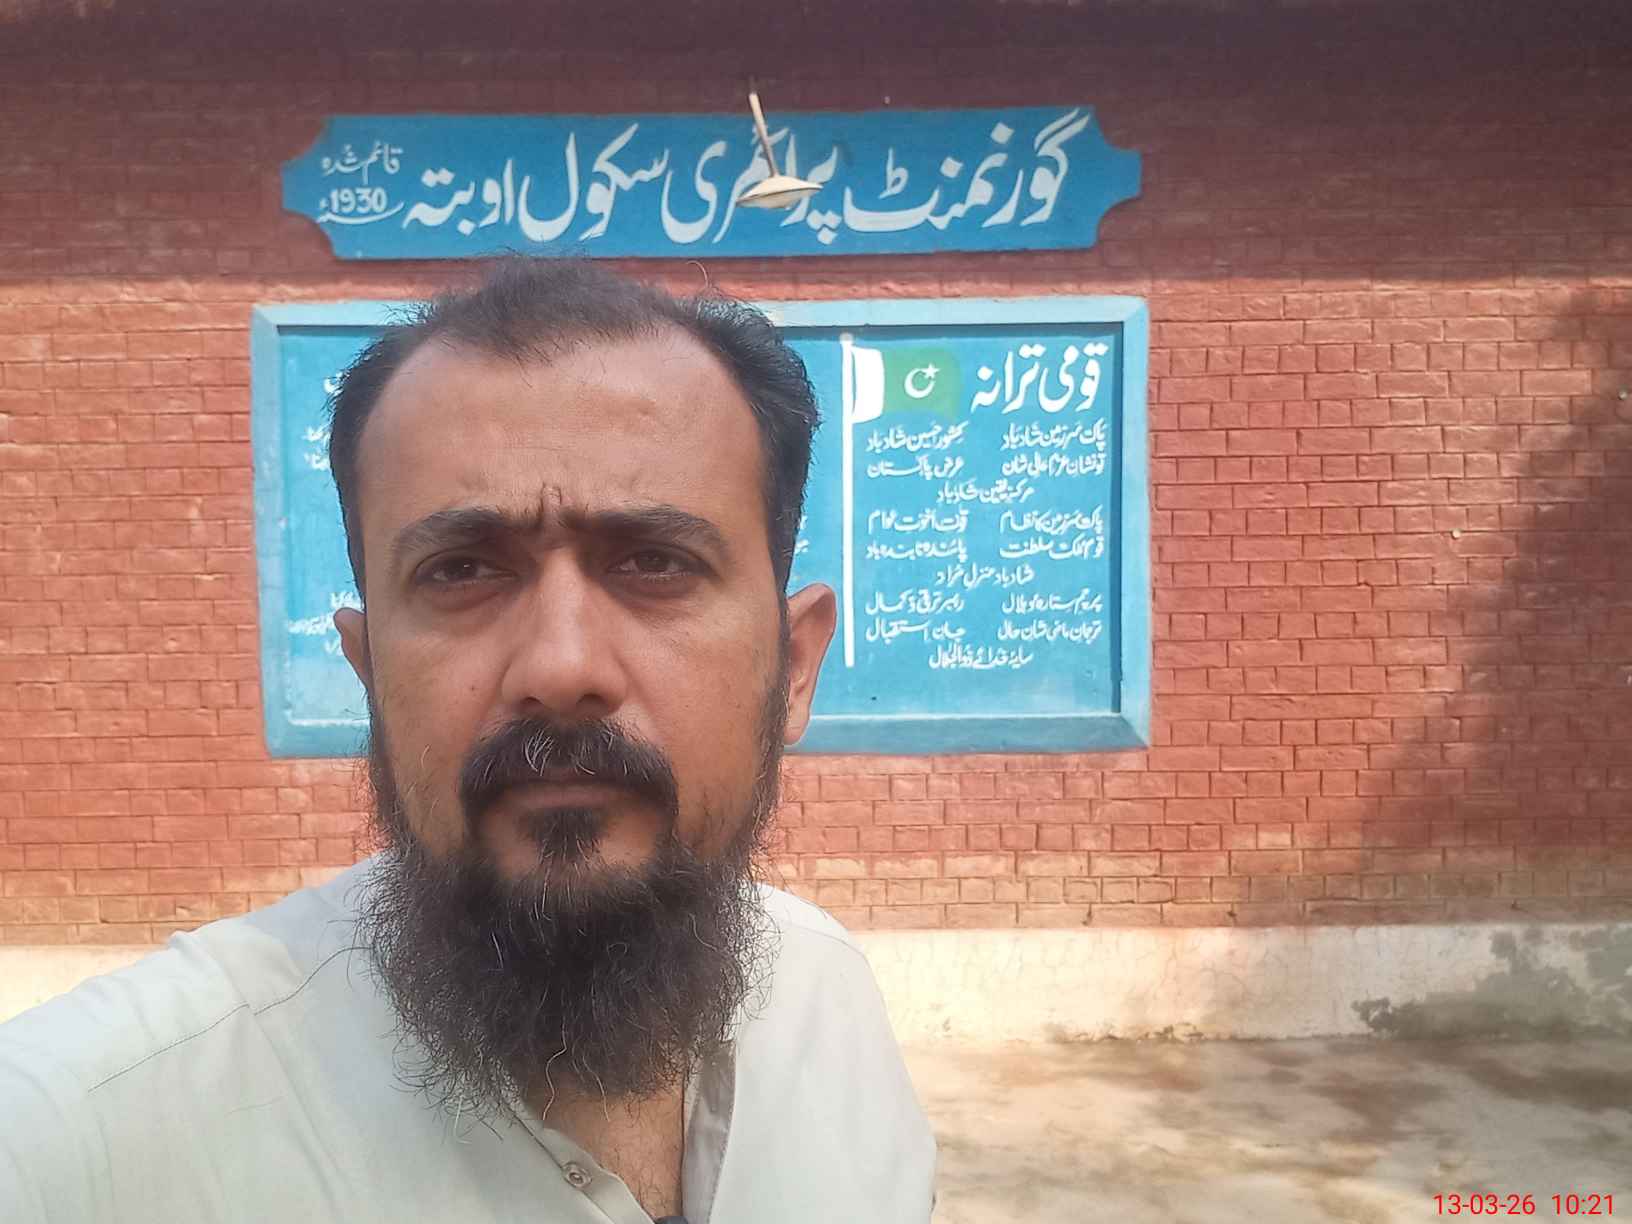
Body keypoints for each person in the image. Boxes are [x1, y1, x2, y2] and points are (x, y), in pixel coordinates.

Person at [0, 259, 938, 1222]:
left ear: (793, 668)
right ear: (371, 673)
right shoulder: (89, 1134)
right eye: (461, 571)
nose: (561, 667)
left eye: (656, 562)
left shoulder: (828, 1005)